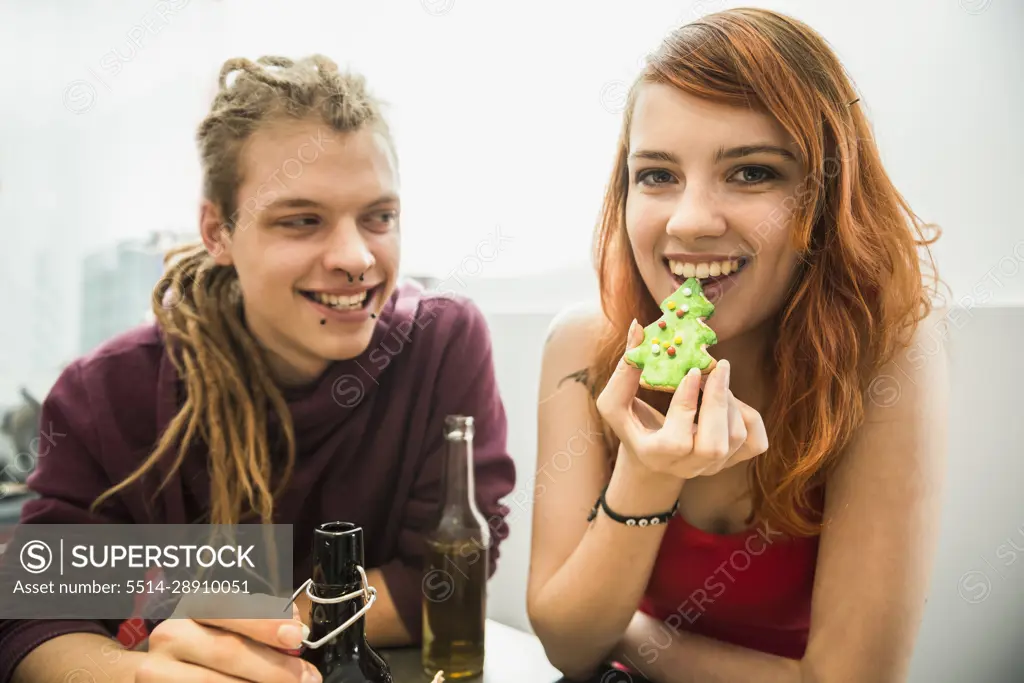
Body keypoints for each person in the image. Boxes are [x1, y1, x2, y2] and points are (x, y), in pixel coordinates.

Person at [2, 55, 516, 683]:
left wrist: (253, 625)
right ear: (217, 231)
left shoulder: (442, 346)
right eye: (302, 220)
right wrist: (140, 673)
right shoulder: (106, 393)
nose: (357, 258)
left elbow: (446, 580)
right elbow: (38, 622)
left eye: (379, 218)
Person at [527, 8, 948, 683]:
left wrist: (633, 634)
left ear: (826, 199)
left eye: (751, 172)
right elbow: (570, 646)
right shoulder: (585, 346)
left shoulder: (887, 359)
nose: (690, 222)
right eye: (657, 175)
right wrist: (649, 472)